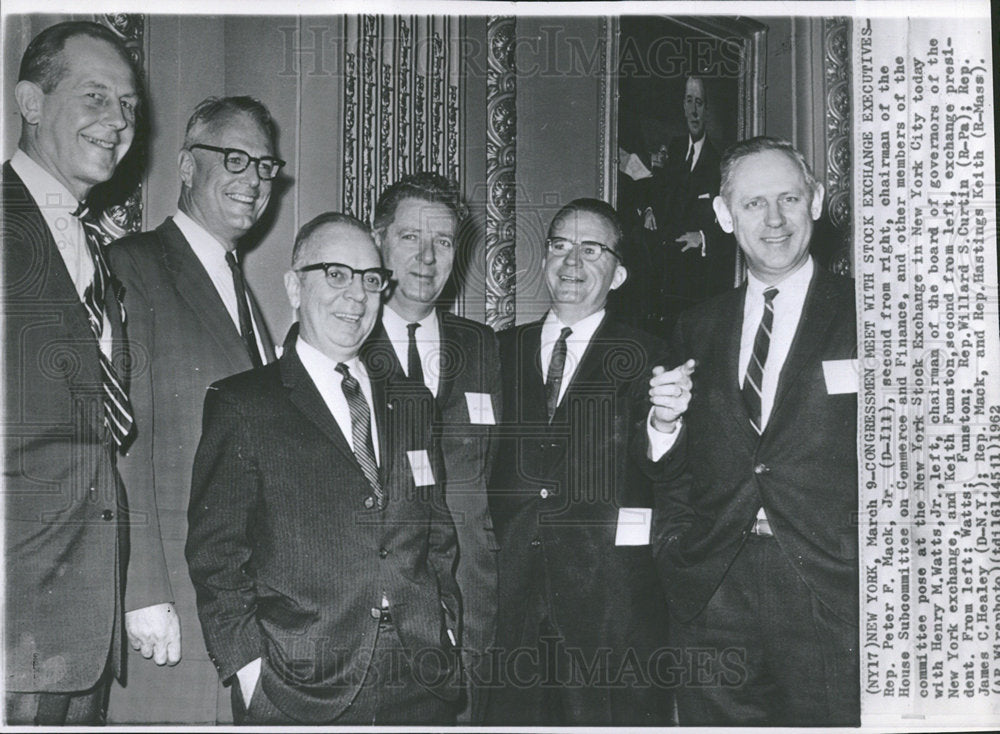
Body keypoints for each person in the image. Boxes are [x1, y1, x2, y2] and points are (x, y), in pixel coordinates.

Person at [186, 213, 462, 725]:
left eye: (371, 279)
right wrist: (249, 670)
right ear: (294, 286)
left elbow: (437, 532)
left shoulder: (414, 402)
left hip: (420, 681)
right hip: (296, 688)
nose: (355, 295)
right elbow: (216, 554)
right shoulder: (243, 403)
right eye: (336, 274)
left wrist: (444, 624)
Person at [649, 136, 859, 726]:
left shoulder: (873, 315)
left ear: (815, 202)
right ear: (723, 215)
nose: (773, 220)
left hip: (830, 591)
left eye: (789, 198)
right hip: (714, 590)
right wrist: (662, 424)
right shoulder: (695, 327)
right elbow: (675, 469)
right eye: (752, 204)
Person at [2, 21, 175, 725]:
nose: (119, 121)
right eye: (95, 96)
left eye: (129, 104)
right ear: (31, 102)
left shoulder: (94, 248)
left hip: (80, 631)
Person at [105, 96, 280, 724]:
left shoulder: (243, 293)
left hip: (237, 603)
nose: (255, 180)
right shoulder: (133, 267)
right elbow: (121, 441)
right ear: (185, 165)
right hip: (169, 605)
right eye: (234, 159)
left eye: (265, 166)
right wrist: (143, 589)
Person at [485, 199, 687, 726]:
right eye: (559, 246)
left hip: (611, 611)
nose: (571, 262)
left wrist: (664, 426)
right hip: (513, 605)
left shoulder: (652, 357)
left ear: (618, 273)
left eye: (591, 249)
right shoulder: (498, 353)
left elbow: (668, 469)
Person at [363, 172, 500, 723]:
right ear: (378, 242)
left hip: (474, 605)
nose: (426, 257)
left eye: (443, 241)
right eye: (409, 238)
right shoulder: (344, 341)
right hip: (383, 614)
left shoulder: (482, 345)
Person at [620, 76, 736, 337]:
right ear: (682, 106)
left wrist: (703, 237)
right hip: (656, 275)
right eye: (689, 101)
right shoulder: (672, 149)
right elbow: (653, 188)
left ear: (707, 110)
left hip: (691, 284)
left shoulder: (719, 163)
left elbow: (733, 225)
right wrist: (649, 209)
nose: (694, 110)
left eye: (699, 103)